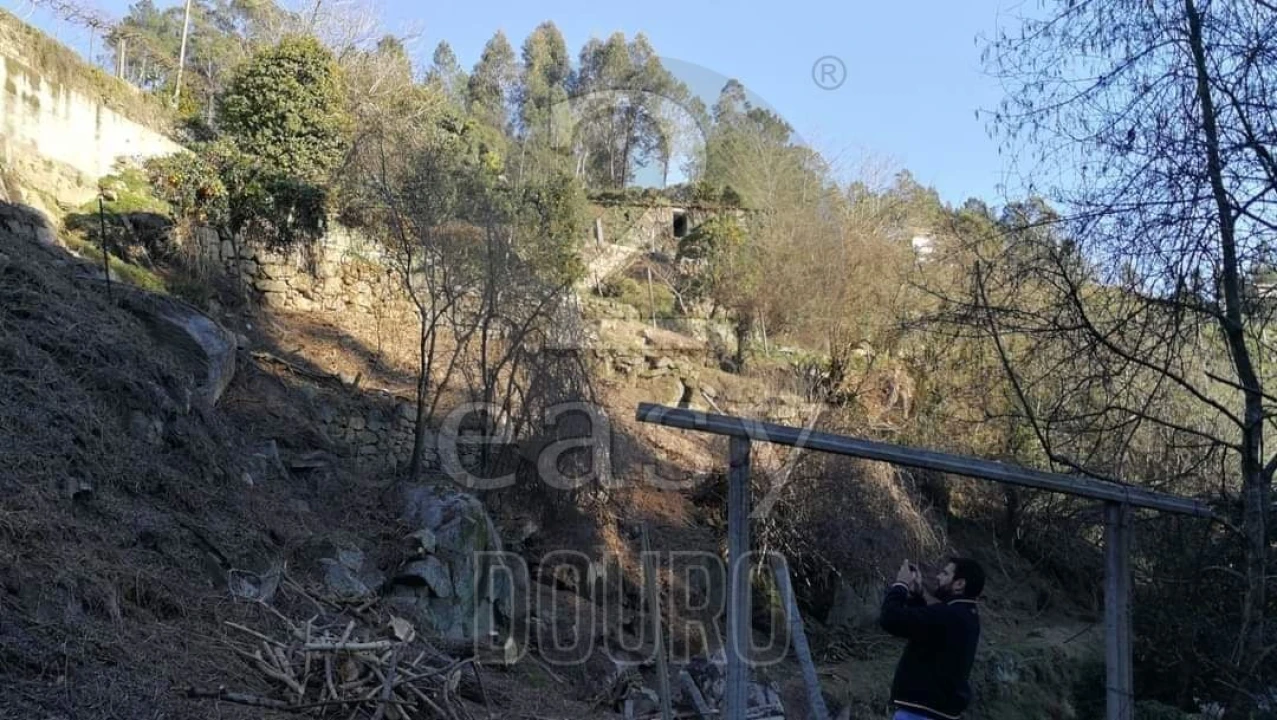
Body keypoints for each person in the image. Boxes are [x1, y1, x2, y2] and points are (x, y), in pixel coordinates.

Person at [878, 557, 985, 720]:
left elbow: (890, 619)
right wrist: (916, 596)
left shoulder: (949, 615)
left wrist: (901, 585)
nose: (938, 577)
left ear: (959, 584)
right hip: (936, 711)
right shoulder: (966, 614)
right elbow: (926, 631)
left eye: (945, 573)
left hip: (920, 713)